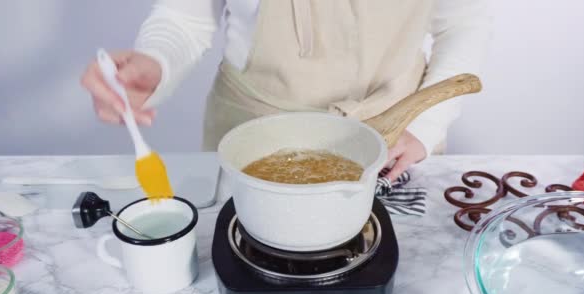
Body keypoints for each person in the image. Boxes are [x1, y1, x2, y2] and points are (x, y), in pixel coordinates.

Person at [81, 0, 491, 181]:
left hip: (395, 136)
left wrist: (427, 124)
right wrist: (154, 64)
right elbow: (185, 19)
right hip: (253, 131)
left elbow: (462, 23)